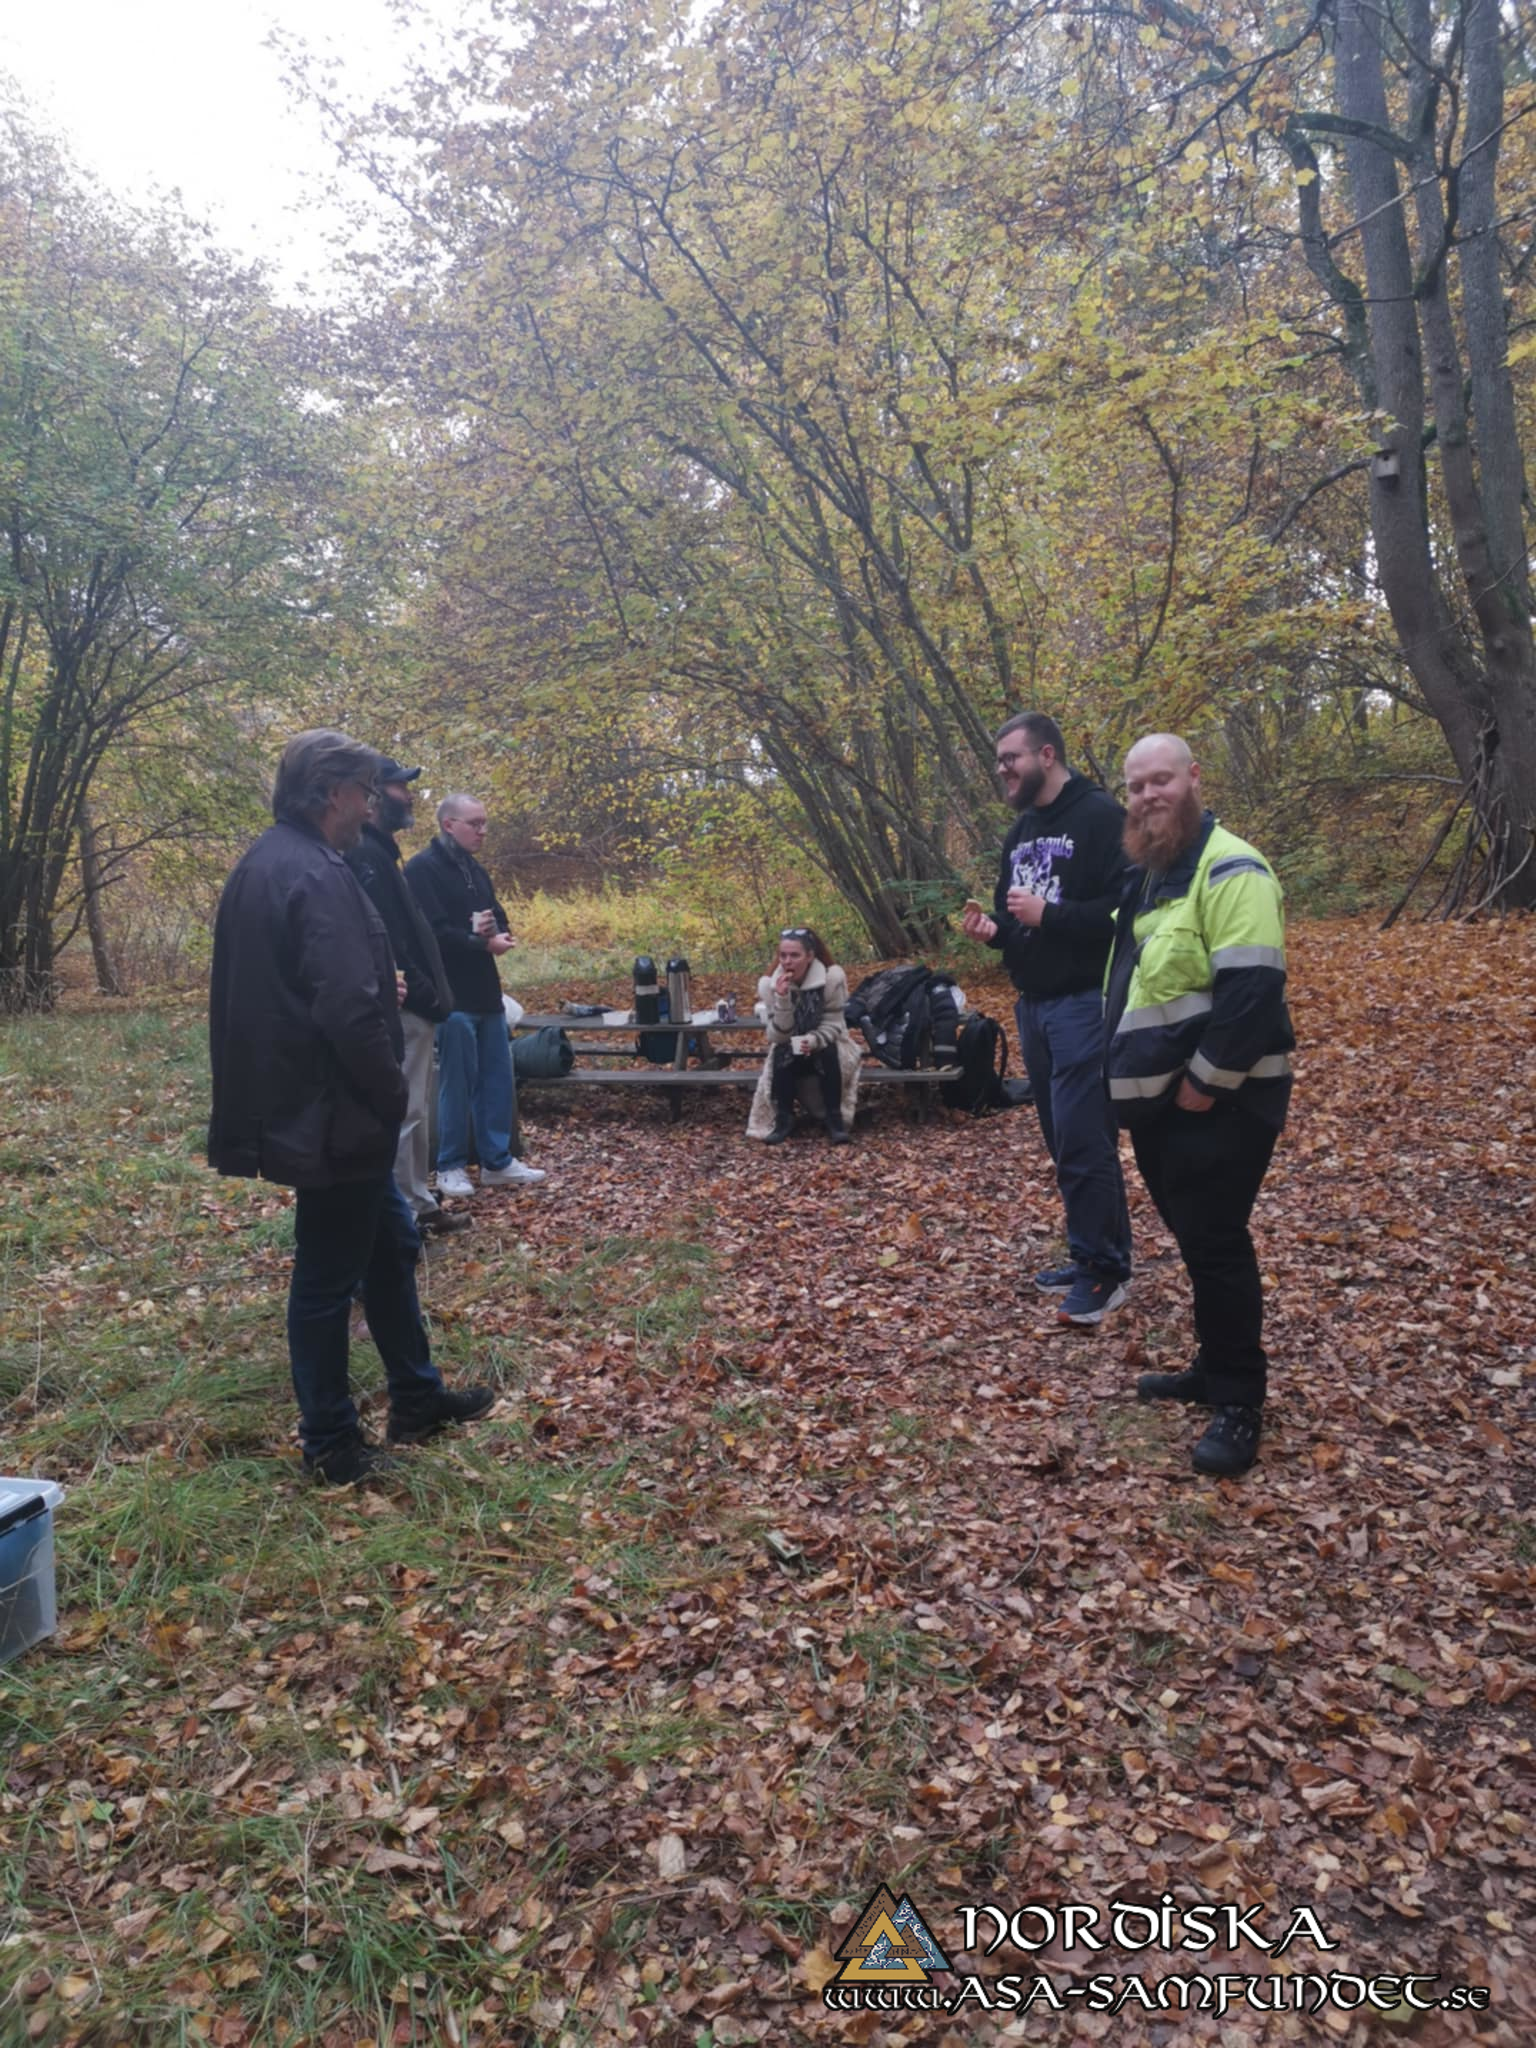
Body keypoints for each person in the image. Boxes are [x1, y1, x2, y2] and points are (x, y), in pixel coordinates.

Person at [207, 729, 495, 1486]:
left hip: (317, 1098)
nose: (370, 804)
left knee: (390, 1246)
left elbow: (307, 982)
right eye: (364, 790)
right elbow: (341, 1008)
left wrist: (375, 981)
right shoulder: (310, 871)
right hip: (333, 1107)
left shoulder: (275, 862)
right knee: (327, 1279)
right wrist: (387, 1087)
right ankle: (331, 1442)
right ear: (332, 792)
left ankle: (416, 1397)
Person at [1105, 734, 1294, 1478]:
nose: (1150, 794)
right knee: (1195, 1237)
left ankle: (1240, 1397)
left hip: (1221, 1101)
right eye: (1137, 785)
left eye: (1162, 779)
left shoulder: (1231, 866)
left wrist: (1203, 1084)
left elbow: (1251, 993)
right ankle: (1213, 1367)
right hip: (1163, 1106)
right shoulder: (1154, 874)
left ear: (1194, 779)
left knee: (1216, 1242)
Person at [962, 712, 1132, 1326]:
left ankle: (1104, 1274)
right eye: (1000, 760)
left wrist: (1049, 917)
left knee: (1086, 1140)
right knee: (1064, 1142)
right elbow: (1018, 922)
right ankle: (1096, 1253)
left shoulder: (1102, 818)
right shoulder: (1021, 832)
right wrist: (992, 933)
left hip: (1085, 1003)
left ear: (1049, 755)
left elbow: (1127, 911)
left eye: (1012, 758)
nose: (1003, 769)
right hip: (1032, 1005)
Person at [346, 760, 469, 1237]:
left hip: (418, 1004)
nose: (409, 797)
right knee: (401, 1112)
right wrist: (422, 992)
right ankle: (400, 1217)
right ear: (373, 796)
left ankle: (417, 1203)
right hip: (402, 1006)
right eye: (400, 788)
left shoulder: (381, 852)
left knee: (416, 1109)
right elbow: (388, 940)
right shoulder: (364, 857)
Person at [405, 792, 546, 1197]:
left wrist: (499, 932)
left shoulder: (473, 868)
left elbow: (496, 911)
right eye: (475, 823)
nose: (483, 831)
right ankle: (450, 1165)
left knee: (497, 1078)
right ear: (449, 825)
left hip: (486, 992)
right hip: (450, 995)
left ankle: (496, 1161)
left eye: (485, 823)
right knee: (456, 1081)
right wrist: (479, 942)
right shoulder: (421, 870)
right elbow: (429, 933)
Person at [747, 926, 860, 1145]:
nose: (787, 962)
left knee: (828, 1053)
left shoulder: (830, 980)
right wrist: (782, 999)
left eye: (794, 955)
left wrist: (815, 1040)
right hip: (789, 1042)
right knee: (782, 1052)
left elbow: (834, 1023)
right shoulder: (770, 985)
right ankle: (784, 1120)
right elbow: (777, 1036)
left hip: (829, 1041)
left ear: (809, 956)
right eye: (783, 955)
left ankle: (834, 1121)